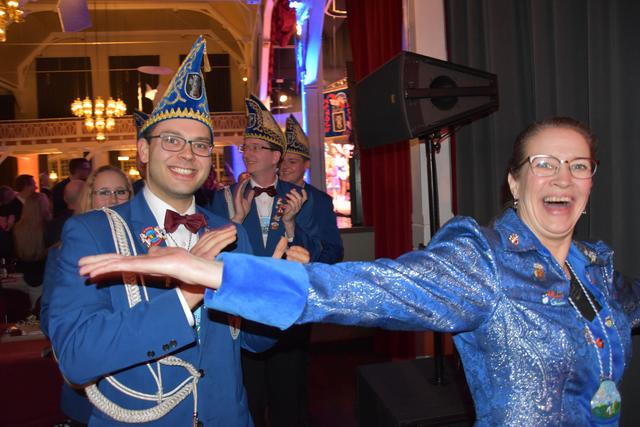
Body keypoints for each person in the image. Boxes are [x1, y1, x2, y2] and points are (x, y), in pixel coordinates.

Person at [81, 117, 640, 426]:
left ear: (591, 182)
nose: (562, 177)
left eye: (578, 166)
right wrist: (219, 275)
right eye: (544, 164)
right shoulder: (484, 261)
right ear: (515, 182)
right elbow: (366, 288)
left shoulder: (597, 268)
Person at [46, 35, 303, 426]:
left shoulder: (230, 233)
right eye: (171, 140)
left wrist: (277, 291)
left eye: (200, 145)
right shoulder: (92, 233)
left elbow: (253, 341)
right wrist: (186, 295)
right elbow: (76, 357)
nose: (187, 154)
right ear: (143, 150)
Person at [208, 95, 316, 427]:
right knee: (248, 400)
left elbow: (316, 255)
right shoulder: (224, 198)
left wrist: (291, 226)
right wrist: (234, 223)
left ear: (275, 156)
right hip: (241, 316)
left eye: (256, 147)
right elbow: (210, 256)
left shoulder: (301, 197)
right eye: (246, 147)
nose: (247, 154)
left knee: (288, 402)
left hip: (286, 315)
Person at [42, 166, 132, 427]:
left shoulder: (148, 251)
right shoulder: (63, 252)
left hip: (140, 380)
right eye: (104, 192)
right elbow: (49, 317)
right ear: (89, 198)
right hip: (90, 383)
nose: (113, 200)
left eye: (120, 192)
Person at [280, 114, 343, 264]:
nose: (284, 166)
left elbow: (334, 249)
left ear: (306, 164)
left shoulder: (321, 201)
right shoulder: (268, 194)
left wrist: (314, 268)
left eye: (292, 161)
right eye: (282, 161)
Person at [12, 192, 51, 308]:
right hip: (42, 274)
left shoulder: (17, 228)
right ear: (44, 207)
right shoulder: (48, 227)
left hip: (22, 273)